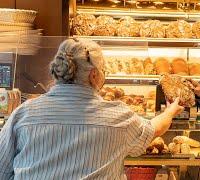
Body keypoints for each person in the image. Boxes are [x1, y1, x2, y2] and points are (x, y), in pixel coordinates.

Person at [0, 38, 184, 180]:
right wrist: (170, 111)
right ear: (94, 75)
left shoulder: (23, 114)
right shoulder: (118, 117)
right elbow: (154, 129)